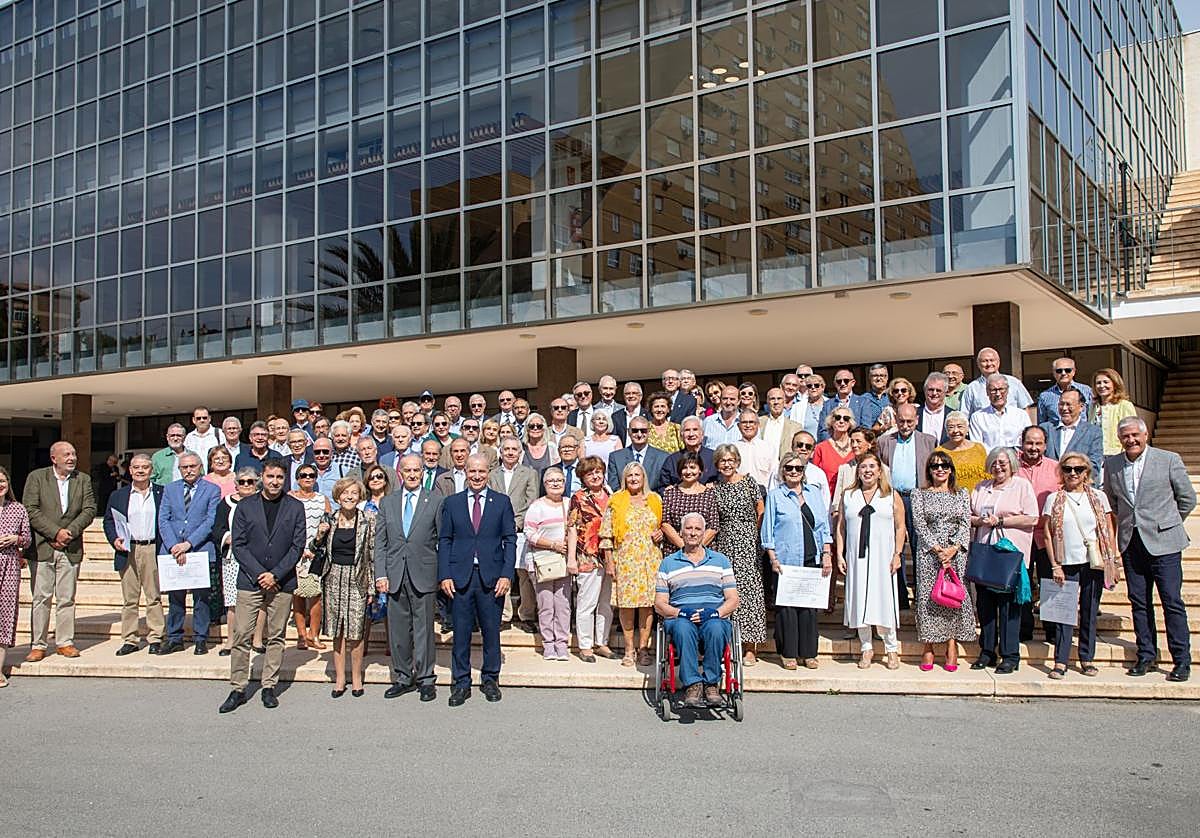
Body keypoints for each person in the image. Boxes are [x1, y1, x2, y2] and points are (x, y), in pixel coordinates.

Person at [1103, 417, 1196, 681]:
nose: (1131, 440)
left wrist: (1168, 523)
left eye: (1135, 435)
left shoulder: (1168, 459)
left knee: (1172, 602)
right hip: (1131, 543)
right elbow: (1112, 500)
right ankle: (1146, 655)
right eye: (1125, 436)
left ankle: (1181, 660)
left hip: (1164, 544)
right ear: (1120, 439)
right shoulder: (1112, 464)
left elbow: (1187, 498)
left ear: (1145, 435)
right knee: (1139, 603)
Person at [218, 461, 307, 714]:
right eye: (270, 476)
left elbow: (297, 546)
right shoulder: (245, 506)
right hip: (250, 580)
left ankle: (269, 686)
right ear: (262, 478)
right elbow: (240, 545)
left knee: (276, 635)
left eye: (280, 477)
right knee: (242, 635)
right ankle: (238, 687)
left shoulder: (295, 507)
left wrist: (276, 574)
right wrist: (260, 574)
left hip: (283, 580)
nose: (275, 481)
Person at [438, 454, 518, 706]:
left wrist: (507, 574)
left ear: (488, 473)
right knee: (460, 632)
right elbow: (445, 540)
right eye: (472, 471)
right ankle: (461, 682)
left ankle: (490, 679)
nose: (476, 476)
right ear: (465, 471)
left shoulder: (501, 502)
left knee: (491, 631)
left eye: (481, 472)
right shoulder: (452, 503)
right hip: (460, 576)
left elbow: (510, 540)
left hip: (492, 577)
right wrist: (445, 575)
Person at [375, 454, 444, 703]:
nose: (413, 474)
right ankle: (403, 676)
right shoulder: (388, 502)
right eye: (408, 470)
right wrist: (380, 574)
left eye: (417, 470)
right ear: (400, 473)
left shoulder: (435, 501)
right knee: (398, 631)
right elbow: (380, 543)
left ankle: (426, 679)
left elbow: (442, 541)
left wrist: (442, 574)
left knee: (424, 630)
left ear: (423, 472)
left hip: (424, 573)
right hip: (394, 575)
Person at [1043, 453, 1118, 679]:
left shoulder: (1099, 497)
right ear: (1061, 472)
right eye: (1067, 469)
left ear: (1087, 472)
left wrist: (1112, 559)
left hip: (1093, 562)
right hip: (1066, 561)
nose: (1073, 473)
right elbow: (1047, 534)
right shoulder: (1054, 499)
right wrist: (1055, 565)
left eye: (1078, 469)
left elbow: (1108, 528)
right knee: (1064, 613)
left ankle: (1087, 657)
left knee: (1089, 611)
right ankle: (1061, 660)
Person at [655, 512, 740, 708]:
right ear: (681, 532)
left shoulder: (720, 561)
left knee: (716, 629)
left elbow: (733, 599)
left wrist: (715, 613)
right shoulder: (668, 563)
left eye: (697, 529)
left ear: (703, 533)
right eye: (689, 528)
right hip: (680, 616)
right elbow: (659, 603)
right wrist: (679, 613)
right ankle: (693, 684)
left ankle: (711, 683)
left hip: (713, 615)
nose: (692, 533)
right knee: (683, 629)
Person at [22, 441, 96, 661]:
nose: (72, 458)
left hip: (70, 547)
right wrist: (55, 533)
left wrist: (69, 533)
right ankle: (39, 644)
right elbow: (30, 509)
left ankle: (65, 642)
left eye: (73, 453)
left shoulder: (83, 480)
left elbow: (90, 509)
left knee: (67, 598)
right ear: (54, 458)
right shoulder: (37, 477)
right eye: (66, 454)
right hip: (43, 547)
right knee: (41, 598)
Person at [969, 447, 1038, 674]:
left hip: (1009, 555)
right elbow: (968, 515)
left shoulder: (1021, 486)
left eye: (1003, 462)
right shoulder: (982, 487)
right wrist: (981, 520)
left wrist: (1001, 521)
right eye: (994, 462)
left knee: (1009, 607)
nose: (998, 466)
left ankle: (1010, 655)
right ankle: (987, 651)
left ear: (1011, 464)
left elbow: (1032, 518)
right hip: (985, 553)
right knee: (985, 606)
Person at [761, 453, 832, 670]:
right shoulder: (775, 495)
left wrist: (827, 553)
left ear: (804, 472)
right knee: (787, 609)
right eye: (789, 468)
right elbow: (768, 529)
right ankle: (788, 652)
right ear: (783, 471)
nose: (794, 472)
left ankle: (809, 652)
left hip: (812, 556)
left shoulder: (813, 493)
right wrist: (772, 557)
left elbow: (822, 526)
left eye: (798, 468)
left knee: (809, 607)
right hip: (786, 558)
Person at [836, 453, 905, 669]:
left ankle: (891, 648)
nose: (867, 470)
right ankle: (866, 647)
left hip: (883, 556)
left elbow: (900, 526)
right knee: (859, 599)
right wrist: (840, 553)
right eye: (863, 466)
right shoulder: (849, 495)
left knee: (884, 600)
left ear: (879, 470)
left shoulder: (890, 495)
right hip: (857, 556)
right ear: (858, 471)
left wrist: (897, 554)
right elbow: (841, 527)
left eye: (872, 466)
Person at [311, 477, 375, 697]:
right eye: (345, 493)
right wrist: (320, 534)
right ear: (338, 496)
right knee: (337, 632)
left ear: (360, 497)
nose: (349, 497)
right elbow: (314, 546)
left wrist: (372, 588)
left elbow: (372, 555)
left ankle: (357, 678)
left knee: (356, 632)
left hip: (358, 580)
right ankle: (340, 678)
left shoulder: (368, 520)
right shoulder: (329, 518)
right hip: (333, 578)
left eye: (354, 493)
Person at [911, 453, 974, 671]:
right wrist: (938, 549)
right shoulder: (919, 494)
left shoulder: (961, 493)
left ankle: (951, 643)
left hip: (955, 552)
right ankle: (928, 646)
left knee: (953, 596)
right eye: (935, 466)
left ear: (951, 469)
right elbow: (919, 523)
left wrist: (954, 548)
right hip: (929, 553)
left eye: (944, 465)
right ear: (929, 470)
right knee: (930, 596)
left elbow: (966, 523)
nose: (940, 469)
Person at [600, 462, 664, 667]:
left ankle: (644, 648)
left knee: (647, 606)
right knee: (626, 606)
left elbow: (663, 525)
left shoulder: (655, 500)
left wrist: (661, 533)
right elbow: (606, 536)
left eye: (638, 475)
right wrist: (609, 562)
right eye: (630, 476)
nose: (634, 479)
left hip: (649, 559)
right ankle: (629, 649)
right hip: (625, 560)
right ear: (624, 479)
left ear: (644, 477)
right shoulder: (616, 501)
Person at [158, 451, 223, 655]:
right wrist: (173, 546)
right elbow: (163, 519)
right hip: (173, 551)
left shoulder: (212, 489)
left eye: (192, 466)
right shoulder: (170, 489)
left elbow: (210, 521)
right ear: (179, 469)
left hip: (199, 550)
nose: (188, 470)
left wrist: (188, 544)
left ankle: (201, 638)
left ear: (200, 467)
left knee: (201, 598)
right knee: (175, 598)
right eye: (184, 467)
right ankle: (174, 637)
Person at [102, 453, 165, 657]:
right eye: (136, 467)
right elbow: (109, 521)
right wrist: (114, 539)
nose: (140, 471)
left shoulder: (161, 493)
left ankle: (155, 637)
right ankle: (130, 639)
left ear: (151, 470)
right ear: (129, 470)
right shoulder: (118, 495)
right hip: (128, 549)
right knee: (130, 599)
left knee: (153, 596)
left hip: (151, 548)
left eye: (144, 467)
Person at [711, 444, 766, 666]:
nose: (727, 464)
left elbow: (760, 511)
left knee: (750, 593)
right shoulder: (714, 487)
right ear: (717, 464)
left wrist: (756, 537)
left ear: (737, 461)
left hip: (748, 541)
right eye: (723, 460)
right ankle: (729, 643)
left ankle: (750, 647)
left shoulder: (749, 482)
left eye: (731, 460)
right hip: (725, 543)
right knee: (727, 593)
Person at [877, 403, 935, 610]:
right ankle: (899, 597)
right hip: (894, 498)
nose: (905, 425)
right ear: (896, 420)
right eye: (901, 421)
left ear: (917, 420)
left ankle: (922, 596)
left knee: (921, 548)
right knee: (895, 548)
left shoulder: (929, 441)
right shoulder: (884, 442)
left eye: (909, 421)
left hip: (919, 497)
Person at [566, 456, 615, 662]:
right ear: (583, 477)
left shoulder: (611, 493)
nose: (595, 476)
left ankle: (601, 642)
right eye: (589, 473)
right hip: (588, 555)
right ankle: (585, 645)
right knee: (587, 602)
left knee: (606, 602)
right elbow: (571, 528)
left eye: (598, 471)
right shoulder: (578, 497)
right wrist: (571, 558)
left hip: (610, 556)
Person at [210, 468, 262, 656]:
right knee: (233, 600)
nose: (246, 485)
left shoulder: (263, 501)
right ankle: (231, 641)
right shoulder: (226, 503)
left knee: (260, 598)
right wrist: (227, 537)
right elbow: (217, 527)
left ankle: (257, 639)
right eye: (242, 482)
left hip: (257, 556)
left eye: (250, 481)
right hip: (232, 557)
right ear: (236, 484)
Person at [1017, 425, 1061, 641]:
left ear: (1045, 445)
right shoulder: (1011, 466)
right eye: (1029, 443)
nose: (1033, 448)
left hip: (1047, 536)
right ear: (1022, 443)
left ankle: (1052, 631)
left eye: (1038, 443)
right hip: (1020, 535)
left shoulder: (1056, 468)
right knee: (1022, 582)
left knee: (1050, 581)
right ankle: (1023, 628)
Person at [489, 437, 539, 628]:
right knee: (502, 570)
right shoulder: (492, 474)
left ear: (520, 453)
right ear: (501, 452)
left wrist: (515, 523)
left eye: (514, 449)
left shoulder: (529, 473)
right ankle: (504, 614)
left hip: (520, 530)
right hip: (496, 530)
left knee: (523, 572)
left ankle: (526, 614)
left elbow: (531, 501)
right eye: (506, 449)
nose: (510, 452)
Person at [524, 468, 572, 661]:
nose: (555, 483)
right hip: (543, 562)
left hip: (563, 562)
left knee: (563, 605)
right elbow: (529, 533)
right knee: (546, 605)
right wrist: (553, 545)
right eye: (551, 481)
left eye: (559, 480)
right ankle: (548, 645)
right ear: (544, 484)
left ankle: (562, 644)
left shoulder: (569, 504)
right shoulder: (536, 506)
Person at [290, 463, 330, 651]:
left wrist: (316, 546)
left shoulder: (323, 500)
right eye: (303, 475)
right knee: (297, 596)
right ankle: (301, 635)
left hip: (316, 553)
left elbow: (328, 526)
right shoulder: (289, 498)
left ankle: (314, 634)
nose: (307, 478)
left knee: (315, 597)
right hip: (294, 552)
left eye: (311, 475)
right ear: (297, 478)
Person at [0, 466, 31, 684]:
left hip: (10, 564)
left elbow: (27, 538)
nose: (0, 485)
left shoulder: (18, 508)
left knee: (5, 615)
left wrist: (15, 539)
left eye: (2, 480)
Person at [660, 451, 720, 553]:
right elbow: (665, 524)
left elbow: (713, 526)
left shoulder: (710, 494)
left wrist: (696, 548)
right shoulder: (670, 493)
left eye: (692, 467)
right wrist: (684, 547)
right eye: (684, 468)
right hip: (675, 550)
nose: (688, 472)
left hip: (703, 552)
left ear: (700, 470)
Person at [959, 347, 1035, 419]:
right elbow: (964, 415)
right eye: (984, 361)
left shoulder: (1014, 382)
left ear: (998, 362)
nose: (989, 364)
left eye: (992, 360)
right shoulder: (972, 388)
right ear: (978, 364)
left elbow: (1025, 408)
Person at [968, 374, 1032, 450]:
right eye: (993, 390)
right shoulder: (977, 417)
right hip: (989, 460)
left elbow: (1029, 440)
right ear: (987, 392)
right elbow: (978, 447)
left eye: (1001, 389)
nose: (998, 394)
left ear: (1007, 390)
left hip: (1016, 459)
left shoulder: (1021, 415)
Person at [606, 416, 668, 493]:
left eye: (643, 431)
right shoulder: (616, 457)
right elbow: (614, 487)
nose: (639, 434)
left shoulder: (663, 457)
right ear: (629, 432)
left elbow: (663, 487)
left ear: (649, 432)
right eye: (635, 431)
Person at [934, 411, 989, 491]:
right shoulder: (939, 452)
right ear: (946, 431)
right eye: (951, 427)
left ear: (967, 429)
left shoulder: (979, 448)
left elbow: (987, 476)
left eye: (960, 426)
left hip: (978, 497)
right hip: (952, 499)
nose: (955, 431)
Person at [1089, 367, 1138, 456]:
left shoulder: (1124, 405)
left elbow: (1131, 431)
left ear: (1114, 384)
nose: (1102, 386)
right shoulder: (1093, 406)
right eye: (1098, 383)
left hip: (1116, 454)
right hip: (1096, 454)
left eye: (1106, 382)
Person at [811, 407, 856, 498]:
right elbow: (814, 477)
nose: (841, 421)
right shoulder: (821, 448)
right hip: (827, 499)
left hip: (852, 498)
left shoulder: (856, 447)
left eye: (846, 418)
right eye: (837, 417)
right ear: (831, 421)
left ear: (850, 423)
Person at [660, 416, 719, 485]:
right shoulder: (672, 460)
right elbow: (663, 486)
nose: (691, 434)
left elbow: (723, 480)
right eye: (687, 430)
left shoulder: (714, 457)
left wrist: (715, 485)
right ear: (681, 436)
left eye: (695, 429)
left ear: (702, 434)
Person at [1038, 357, 1094, 425]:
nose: (1063, 373)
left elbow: (1092, 418)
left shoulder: (1087, 391)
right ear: (1054, 373)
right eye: (1059, 371)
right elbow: (1042, 424)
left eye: (1067, 370)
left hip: (1082, 434)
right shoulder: (1045, 396)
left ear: (1074, 372)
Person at [817, 369, 871, 439]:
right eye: (839, 381)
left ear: (853, 383)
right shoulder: (828, 404)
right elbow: (823, 430)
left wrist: (849, 443)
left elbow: (866, 428)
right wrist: (833, 444)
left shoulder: (863, 402)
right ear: (835, 384)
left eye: (846, 381)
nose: (842, 384)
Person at [733, 409, 776, 488]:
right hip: (738, 494)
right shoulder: (733, 448)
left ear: (758, 425)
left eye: (751, 422)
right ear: (738, 426)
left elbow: (774, 475)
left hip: (763, 494)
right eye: (744, 422)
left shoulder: (768, 448)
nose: (748, 425)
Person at [760, 387, 804, 461]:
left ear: (784, 401)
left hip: (785, 468)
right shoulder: (759, 422)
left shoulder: (796, 427)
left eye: (779, 398)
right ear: (767, 402)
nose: (776, 402)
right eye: (772, 399)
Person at [917, 372, 952, 444]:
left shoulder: (952, 415)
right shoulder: (915, 414)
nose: (934, 393)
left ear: (946, 392)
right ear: (924, 390)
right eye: (931, 390)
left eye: (938, 390)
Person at [702, 385, 741, 449]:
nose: (728, 402)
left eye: (732, 399)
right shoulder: (708, 422)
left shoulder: (746, 422)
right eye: (725, 399)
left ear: (739, 401)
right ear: (721, 400)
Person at [861, 363, 891, 430]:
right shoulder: (863, 399)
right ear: (869, 378)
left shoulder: (893, 396)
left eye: (882, 375)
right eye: (875, 376)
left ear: (887, 378)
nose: (878, 378)